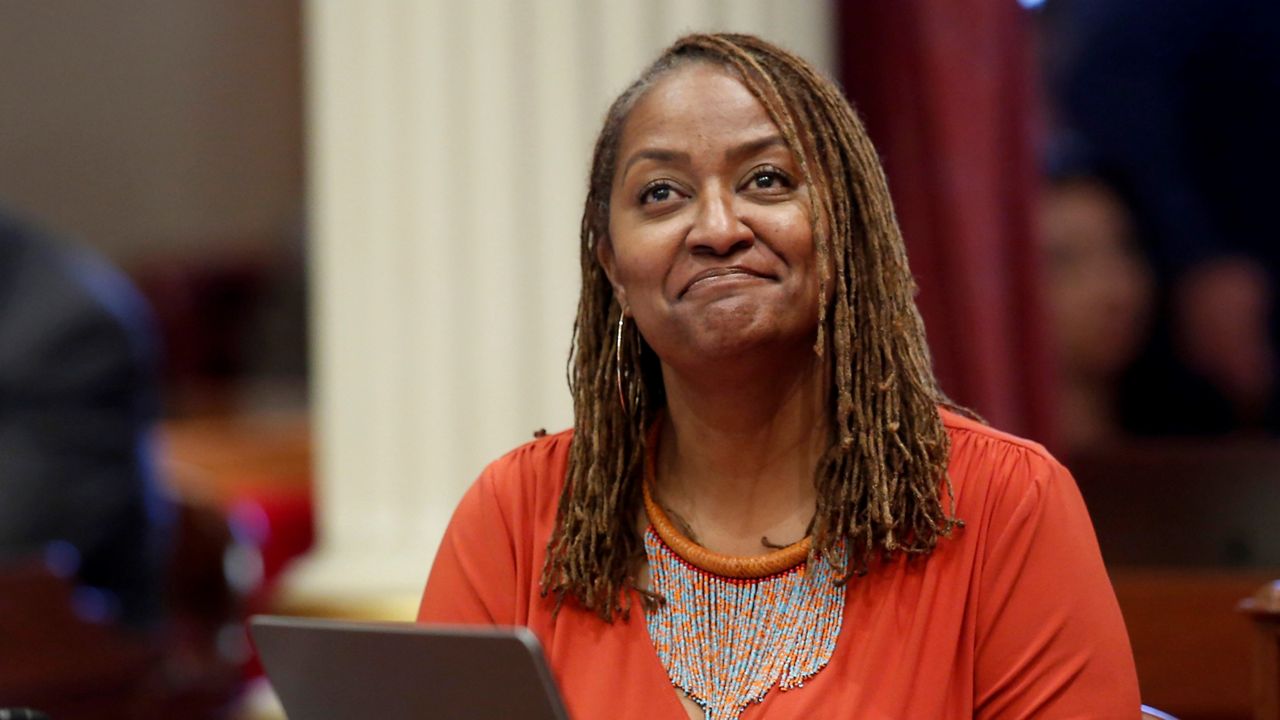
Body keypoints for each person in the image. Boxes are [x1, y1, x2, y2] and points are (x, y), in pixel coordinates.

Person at [419, 34, 1139, 719]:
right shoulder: (517, 517)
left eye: (766, 179)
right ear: (611, 263)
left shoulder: (1005, 506)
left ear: (843, 223)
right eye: (661, 194)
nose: (717, 227)